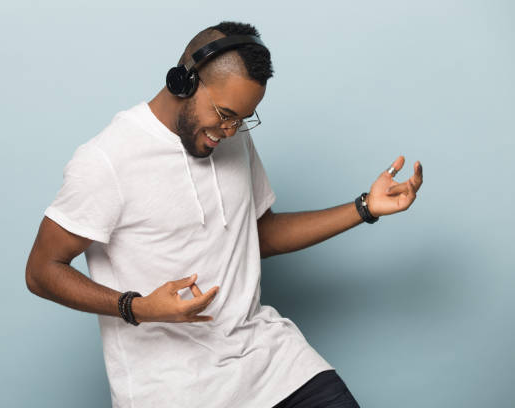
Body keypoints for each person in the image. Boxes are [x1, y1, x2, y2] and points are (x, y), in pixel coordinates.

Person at [25, 21, 423, 408]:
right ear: (184, 82)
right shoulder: (107, 160)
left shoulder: (229, 140)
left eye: (243, 118)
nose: (231, 131)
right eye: (225, 113)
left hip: (270, 362)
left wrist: (364, 208)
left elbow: (259, 236)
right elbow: (42, 270)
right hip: (173, 389)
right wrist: (137, 306)